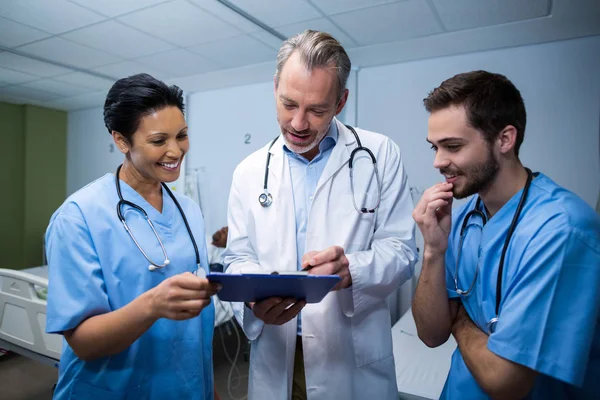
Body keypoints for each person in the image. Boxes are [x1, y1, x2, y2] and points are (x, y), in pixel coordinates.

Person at [223, 30, 417, 399]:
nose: (298, 123)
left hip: (348, 355)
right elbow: (237, 257)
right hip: (277, 351)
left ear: (341, 101)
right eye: (288, 104)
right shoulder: (248, 171)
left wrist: (351, 271)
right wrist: (252, 299)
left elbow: (402, 251)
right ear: (275, 87)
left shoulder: (380, 155)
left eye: (317, 110)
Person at [412, 70, 600, 398]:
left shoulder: (562, 230)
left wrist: (460, 320)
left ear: (504, 139)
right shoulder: (465, 216)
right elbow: (430, 333)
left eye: (452, 146)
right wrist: (433, 250)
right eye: (435, 148)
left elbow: (506, 381)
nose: (439, 162)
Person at [45, 73, 220, 399]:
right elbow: (82, 343)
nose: (175, 150)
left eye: (181, 135)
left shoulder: (189, 210)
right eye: (158, 141)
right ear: (122, 141)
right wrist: (153, 304)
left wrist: (207, 388)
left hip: (185, 386)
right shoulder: (78, 217)